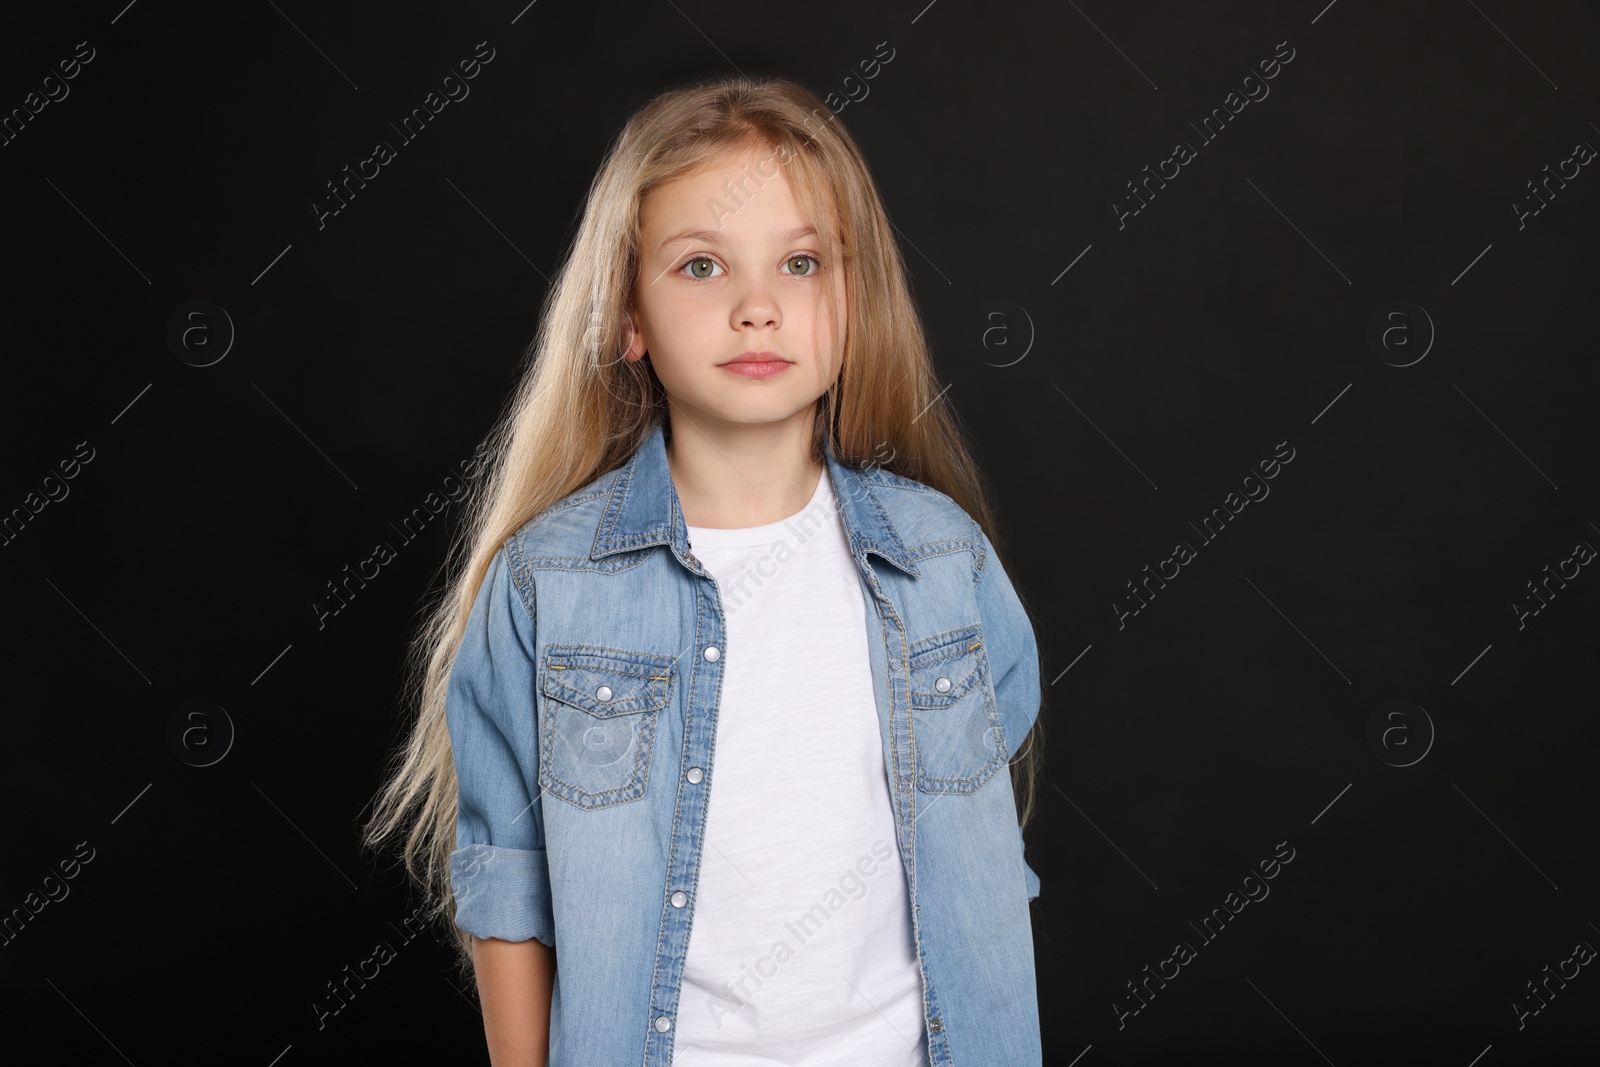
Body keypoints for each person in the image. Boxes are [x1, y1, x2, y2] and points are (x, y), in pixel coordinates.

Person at [362, 74, 1048, 1067]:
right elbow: (508, 877)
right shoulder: (548, 585)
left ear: (853, 302)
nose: (757, 307)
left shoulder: (942, 559)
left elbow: (981, 803)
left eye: (801, 262)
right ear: (626, 316)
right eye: (700, 267)